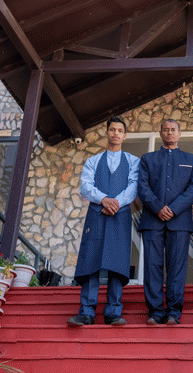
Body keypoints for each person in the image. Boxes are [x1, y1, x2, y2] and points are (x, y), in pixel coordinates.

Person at [68, 116, 139, 326]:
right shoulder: (93, 161)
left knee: (116, 262)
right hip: (97, 214)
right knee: (91, 260)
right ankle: (87, 311)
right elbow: (86, 187)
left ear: (124, 136)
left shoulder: (134, 161)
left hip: (121, 214)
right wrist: (104, 200)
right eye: (112, 129)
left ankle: (113, 312)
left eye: (120, 130)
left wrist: (116, 203)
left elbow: (134, 187)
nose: (116, 133)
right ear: (107, 133)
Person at [137, 119, 193, 325]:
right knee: (152, 266)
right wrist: (158, 207)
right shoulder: (148, 159)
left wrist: (172, 209)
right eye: (166, 129)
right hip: (152, 220)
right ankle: (155, 311)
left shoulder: (191, 159)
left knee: (177, 267)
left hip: (179, 221)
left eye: (173, 130)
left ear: (179, 134)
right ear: (161, 133)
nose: (170, 133)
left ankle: (174, 311)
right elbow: (143, 187)